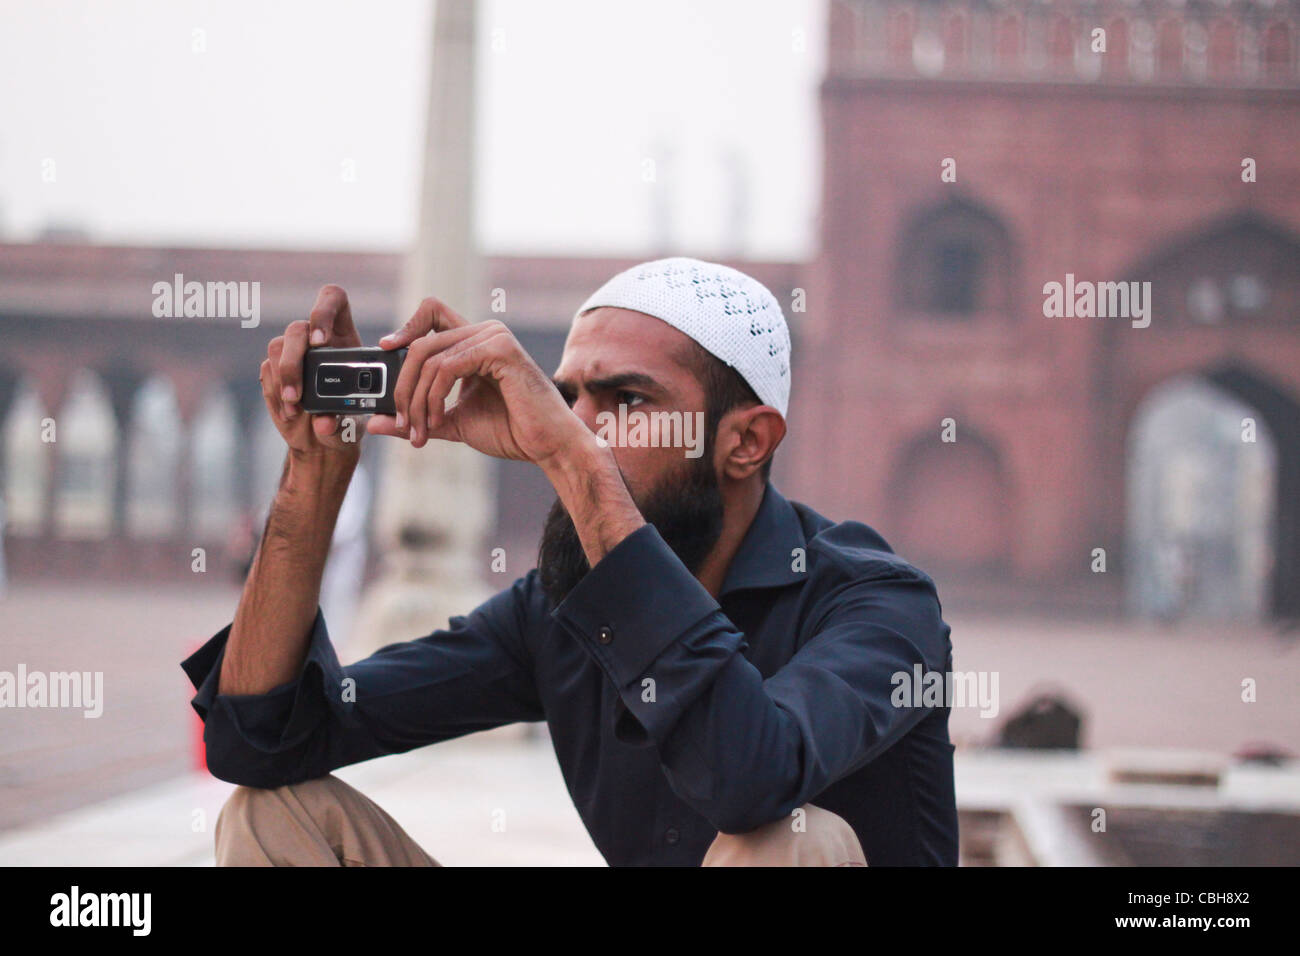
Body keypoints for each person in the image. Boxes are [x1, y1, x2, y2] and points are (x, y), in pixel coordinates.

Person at [183, 257, 958, 867]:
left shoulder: (877, 604)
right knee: (273, 816)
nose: (579, 430)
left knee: (789, 840)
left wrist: (571, 456)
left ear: (746, 442)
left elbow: (749, 777)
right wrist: (314, 481)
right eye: (566, 400)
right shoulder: (558, 613)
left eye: (627, 400)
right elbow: (258, 739)